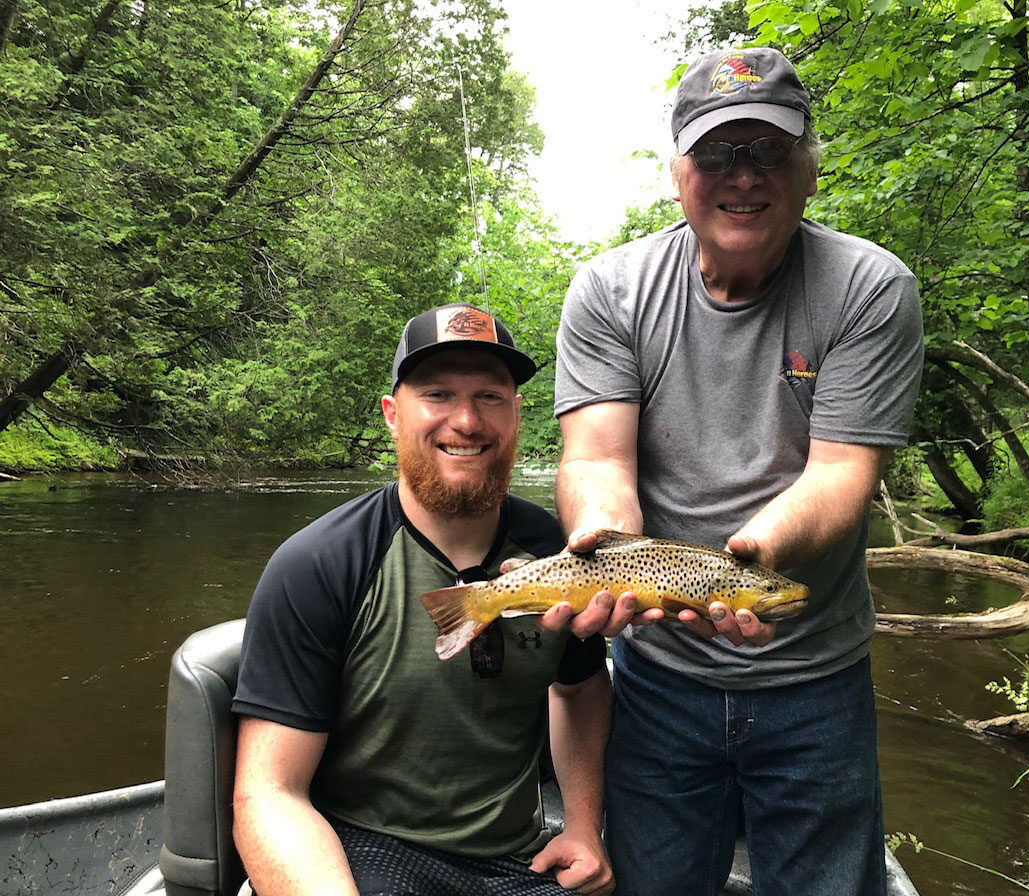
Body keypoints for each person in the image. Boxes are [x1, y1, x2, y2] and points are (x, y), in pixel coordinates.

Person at [550, 47, 924, 896]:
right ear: (678, 174)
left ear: (810, 170)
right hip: (655, 679)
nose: (742, 176)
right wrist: (601, 548)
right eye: (717, 153)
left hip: (816, 682)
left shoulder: (869, 288)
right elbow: (597, 459)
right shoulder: (610, 291)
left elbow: (839, 476)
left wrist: (750, 558)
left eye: (768, 151)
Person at [231, 302, 615, 896]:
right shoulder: (320, 564)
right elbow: (269, 792)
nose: (466, 421)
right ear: (392, 413)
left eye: (490, 397)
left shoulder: (558, 549)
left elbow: (581, 685)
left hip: (516, 856)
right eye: (437, 394)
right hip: (363, 848)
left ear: (517, 415)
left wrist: (585, 827)